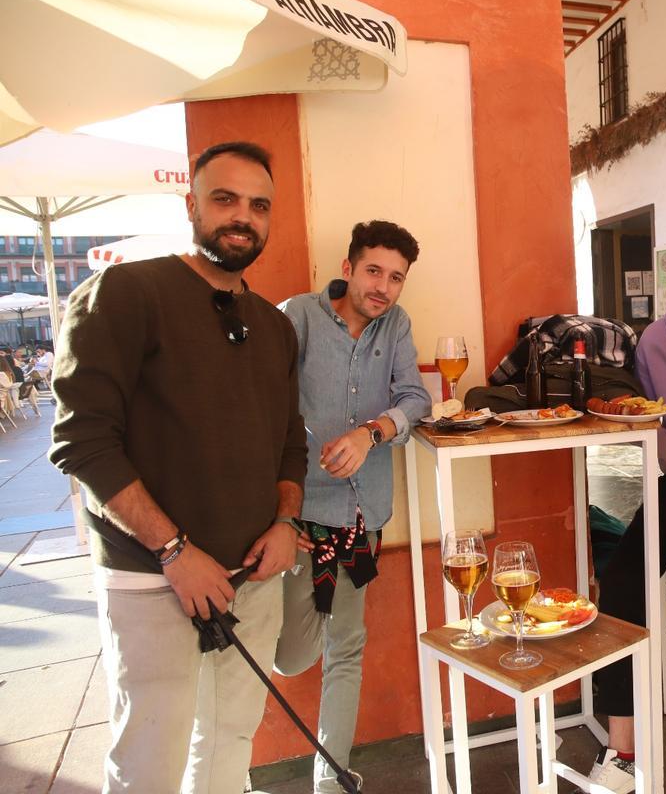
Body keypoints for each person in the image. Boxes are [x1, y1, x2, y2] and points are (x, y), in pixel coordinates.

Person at [48, 141, 308, 793]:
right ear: (191, 205)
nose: (241, 216)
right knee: (148, 764)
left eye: (258, 204)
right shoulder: (126, 293)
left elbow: (290, 443)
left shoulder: (274, 327)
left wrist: (285, 523)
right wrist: (173, 550)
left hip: (252, 576)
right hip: (150, 577)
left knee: (229, 746)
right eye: (224, 199)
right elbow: (83, 442)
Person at [274, 220, 432, 793]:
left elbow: (416, 397)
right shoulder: (297, 316)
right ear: (348, 268)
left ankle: (331, 777)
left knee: (347, 648)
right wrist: (276, 513)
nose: (383, 288)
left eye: (396, 277)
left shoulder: (397, 324)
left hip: (363, 516)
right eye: (373, 271)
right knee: (291, 656)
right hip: (299, 515)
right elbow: (261, 400)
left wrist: (372, 431)